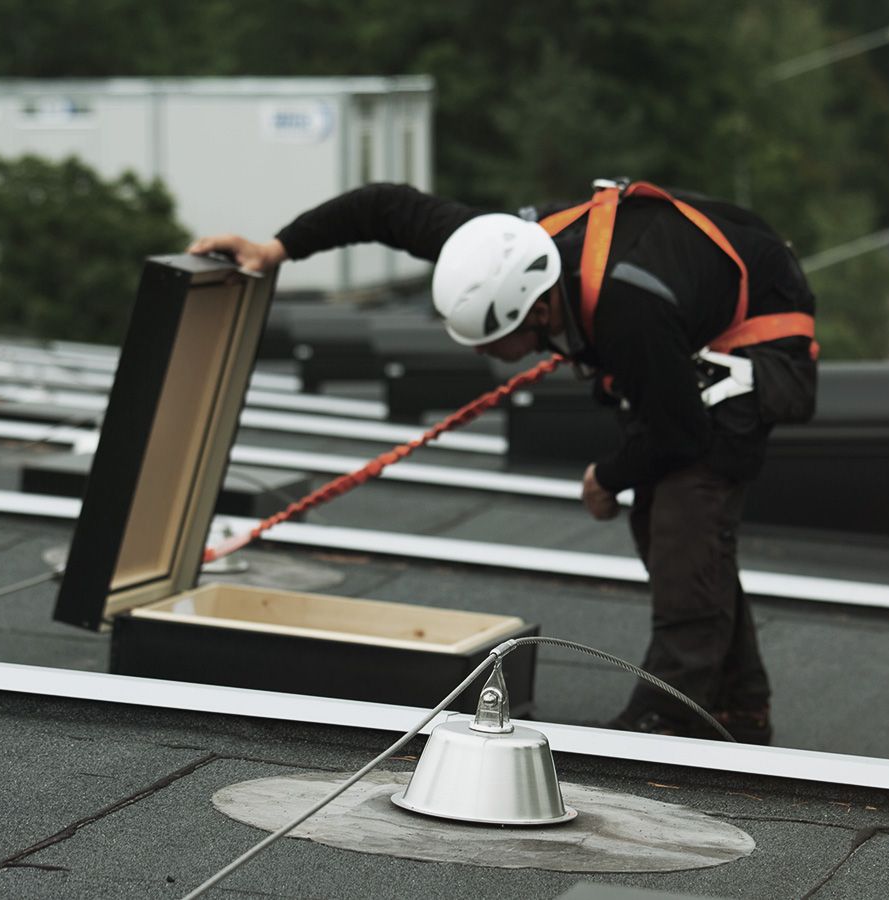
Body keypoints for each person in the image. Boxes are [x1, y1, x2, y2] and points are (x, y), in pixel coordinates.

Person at [190, 180, 818, 744]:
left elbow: (679, 434)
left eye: (501, 344)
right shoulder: (492, 250)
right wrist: (276, 249)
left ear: (540, 311)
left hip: (758, 331)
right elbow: (381, 207)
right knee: (669, 518)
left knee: (684, 506)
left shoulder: (630, 314)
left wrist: (607, 478)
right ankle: (739, 706)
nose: (498, 357)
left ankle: (671, 721)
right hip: (687, 302)